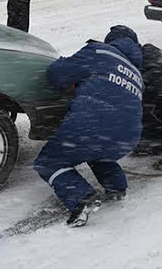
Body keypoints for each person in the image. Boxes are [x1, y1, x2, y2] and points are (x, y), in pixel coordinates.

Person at [33, 25, 144, 227]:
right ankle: (117, 188)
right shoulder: (136, 74)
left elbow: (56, 75)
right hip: (128, 138)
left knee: (49, 162)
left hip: (92, 124)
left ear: (111, 40)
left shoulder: (100, 51)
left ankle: (80, 199)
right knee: (99, 153)